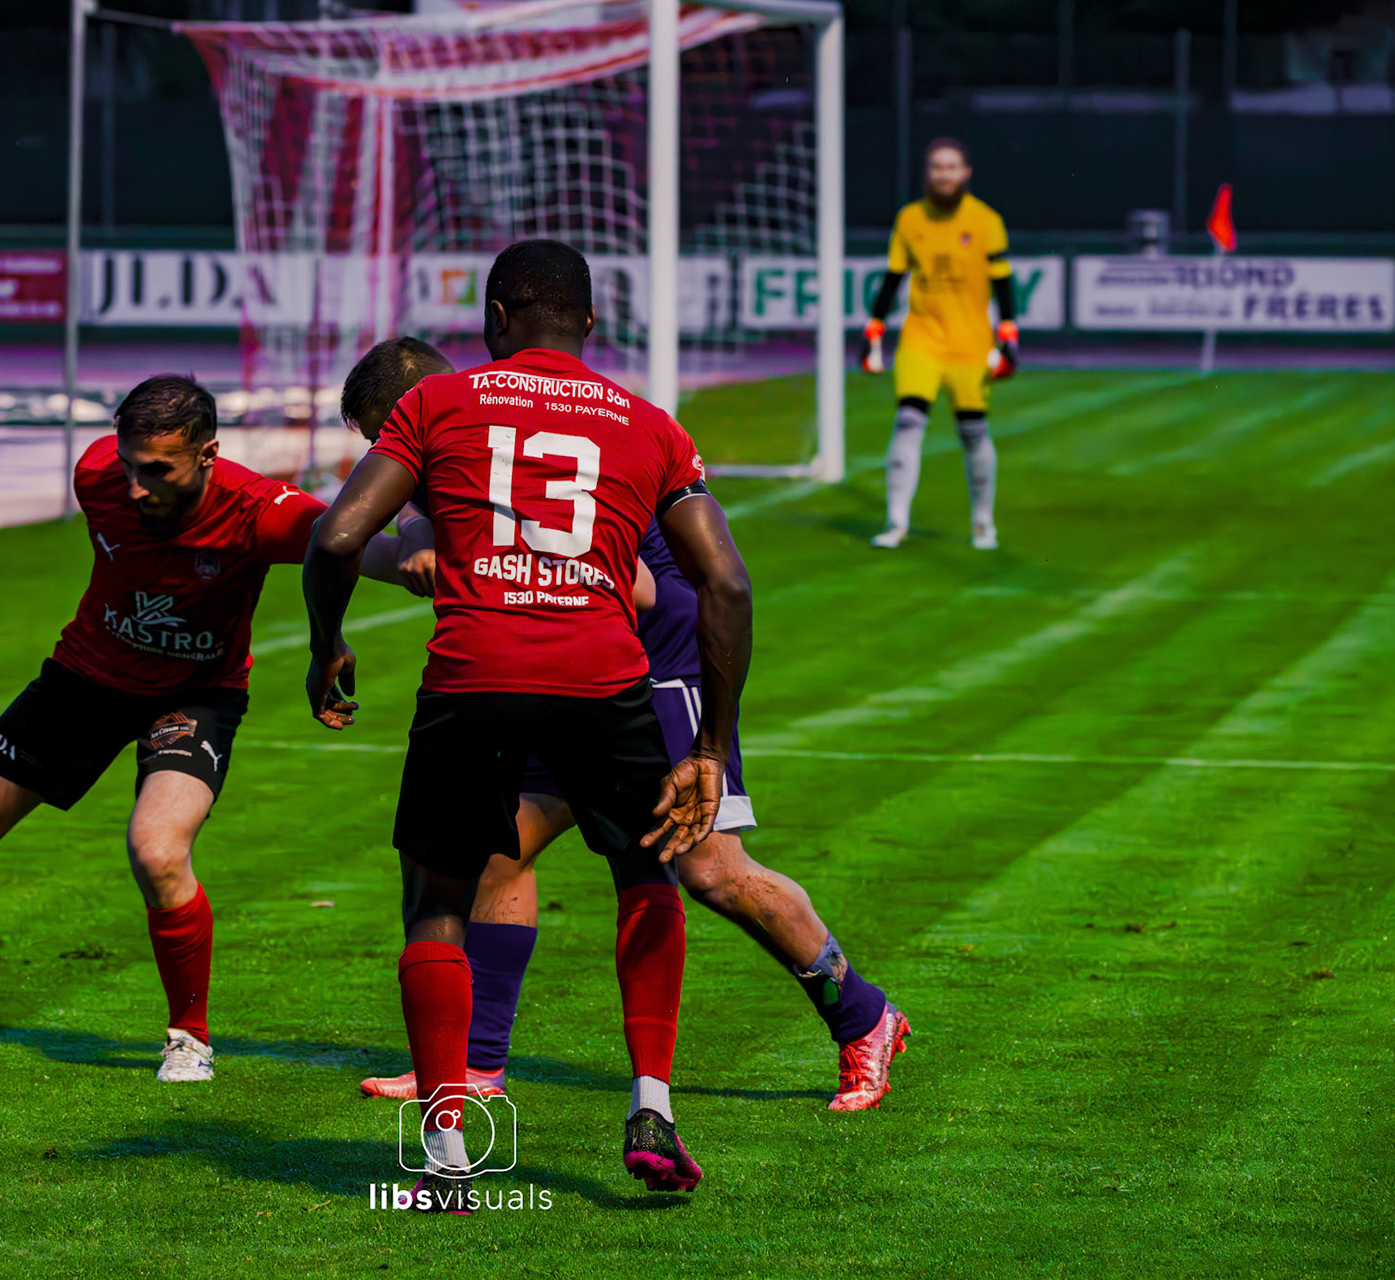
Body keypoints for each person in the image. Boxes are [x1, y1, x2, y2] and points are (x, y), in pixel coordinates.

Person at [340, 338, 911, 1113]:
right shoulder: (469, 427)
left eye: (381, 433)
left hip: (650, 658)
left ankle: (864, 1015)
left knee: (709, 868)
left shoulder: (468, 428)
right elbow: (431, 546)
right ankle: (475, 1064)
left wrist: (344, 545)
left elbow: (636, 587)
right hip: (561, 662)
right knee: (500, 851)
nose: (386, 453)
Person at [302, 240, 754, 1208]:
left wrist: (326, 645)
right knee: (643, 869)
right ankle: (653, 1104)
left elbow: (338, 534)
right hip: (603, 677)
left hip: (476, 673)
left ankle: (446, 1152)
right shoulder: (651, 425)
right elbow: (725, 580)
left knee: (440, 895)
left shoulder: (436, 402)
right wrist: (711, 745)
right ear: (590, 325)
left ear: (496, 318)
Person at [0, 375, 414, 1084]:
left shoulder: (261, 512)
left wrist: (431, 555)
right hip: (84, 678)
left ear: (208, 453)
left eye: (158, 469)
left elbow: (362, 547)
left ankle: (189, 1038)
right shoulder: (97, 472)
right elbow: (120, 488)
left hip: (195, 697)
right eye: (131, 465)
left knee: (157, 851)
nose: (136, 485)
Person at [860, 137, 1020, 551]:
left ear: (966, 173)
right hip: (921, 336)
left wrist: (1008, 335)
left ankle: (983, 522)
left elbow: (1002, 282)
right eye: (936, 167)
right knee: (908, 422)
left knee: (972, 431)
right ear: (928, 173)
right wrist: (874, 328)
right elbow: (894, 277)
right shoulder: (911, 219)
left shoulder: (986, 220)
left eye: (951, 167)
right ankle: (896, 522)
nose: (944, 175)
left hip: (969, 342)